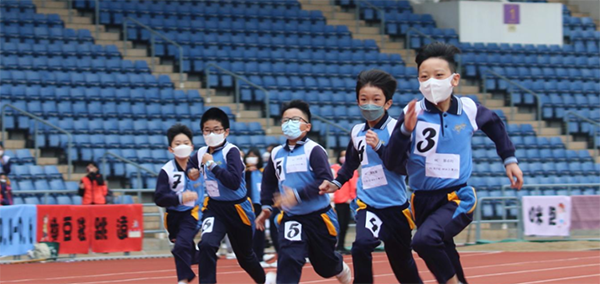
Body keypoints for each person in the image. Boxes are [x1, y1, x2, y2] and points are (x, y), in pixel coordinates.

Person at [378, 42, 524, 284]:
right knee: (444, 248)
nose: (431, 82)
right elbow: (392, 163)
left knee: (424, 241)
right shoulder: (411, 112)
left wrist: (509, 159)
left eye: (438, 75)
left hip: (457, 197)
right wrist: (405, 131)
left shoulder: (468, 109)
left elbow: (495, 126)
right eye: (424, 77)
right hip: (421, 199)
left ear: (454, 79)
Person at [320, 70, 422, 284]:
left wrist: (380, 146)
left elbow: (402, 167)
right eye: (364, 99)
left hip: (396, 208)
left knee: (403, 266)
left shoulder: (398, 129)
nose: (369, 105)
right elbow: (350, 163)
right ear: (357, 101)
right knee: (361, 246)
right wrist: (336, 183)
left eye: (376, 100)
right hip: (369, 206)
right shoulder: (357, 131)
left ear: (387, 103)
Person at [256, 100, 351, 284]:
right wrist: (266, 206)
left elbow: (324, 181)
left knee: (325, 266)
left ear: (307, 126)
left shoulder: (314, 150)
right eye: (285, 120)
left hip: (319, 218)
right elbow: (268, 180)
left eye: (294, 119)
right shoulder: (276, 154)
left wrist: (297, 195)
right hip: (292, 218)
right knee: (290, 256)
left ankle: (338, 266)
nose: (289, 123)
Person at [187, 107, 270, 284]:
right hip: (215, 207)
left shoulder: (231, 152)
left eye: (216, 130)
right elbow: (190, 164)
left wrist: (212, 166)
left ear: (226, 132)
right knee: (206, 245)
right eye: (207, 130)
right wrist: (190, 172)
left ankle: (264, 281)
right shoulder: (202, 152)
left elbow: (233, 182)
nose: (211, 134)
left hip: (238, 209)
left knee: (245, 257)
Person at [154, 123, 203, 284]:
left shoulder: (200, 168)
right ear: (170, 149)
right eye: (177, 144)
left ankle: (183, 279)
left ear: (192, 146)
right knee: (184, 248)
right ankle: (199, 255)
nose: (182, 146)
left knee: (180, 247)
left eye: (186, 143)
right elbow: (159, 198)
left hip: (192, 213)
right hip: (173, 216)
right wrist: (179, 198)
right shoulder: (166, 170)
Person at [244, 147, 275, 267]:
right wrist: (247, 171)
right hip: (248, 204)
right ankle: (253, 256)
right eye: (249, 156)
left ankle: (260, 255)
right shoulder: (244, 172)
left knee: (260, 230)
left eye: (254, 155)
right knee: (250, 231)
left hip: (260, 204)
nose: (252, 158)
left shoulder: (263, 171)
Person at [329, 150, 357, 254]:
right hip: (337, 200)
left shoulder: (353, 170)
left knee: (344, 225)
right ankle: (336, 245)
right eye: (342, 155)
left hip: (347, 201)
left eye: (346, 155)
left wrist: (352, 198)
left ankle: (341, 245)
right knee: (338, 224)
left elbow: (353, 185)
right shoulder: (334, 169)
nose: (343, 157)